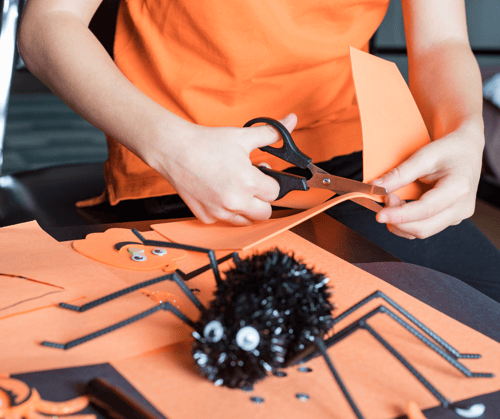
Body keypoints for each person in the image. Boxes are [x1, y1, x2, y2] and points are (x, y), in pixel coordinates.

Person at [17, 0, 500, 302]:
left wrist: (466, 132)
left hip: (358, 155)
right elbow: (48, 26)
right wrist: (172, 146)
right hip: (183, 167)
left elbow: (441, 42)